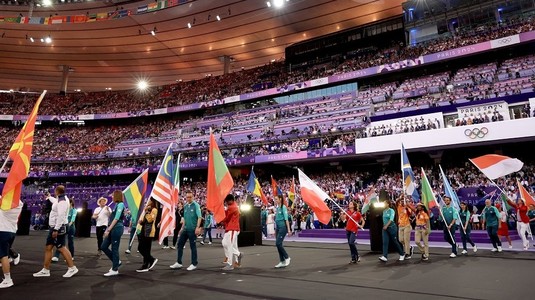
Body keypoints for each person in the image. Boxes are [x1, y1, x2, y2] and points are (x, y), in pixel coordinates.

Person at [33, 186, 78, 278]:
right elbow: (55, 202)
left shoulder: (62, 201)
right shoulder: (61, 199)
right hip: (55, 227)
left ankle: (72, 268)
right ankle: (45, 270)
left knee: (61, 247)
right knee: (48, 247)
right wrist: (49, 197)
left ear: (57, 191)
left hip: (59, 227)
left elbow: (61, 216)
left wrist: (56, 229)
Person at [170, 191, 202, 271]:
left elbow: (199, 217)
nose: (189, 198)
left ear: (193, 197)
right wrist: (181, 228)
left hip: (192, 230)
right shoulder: (186, 206)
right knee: (179, 245)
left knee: (192, 247)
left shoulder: (196, 205)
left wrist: (197, 227)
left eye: (190, 197)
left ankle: (194, 264)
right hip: (185, 229)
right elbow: (184, 218)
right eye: (187, 197)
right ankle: (179, 262)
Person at [101, 190, 125, 276]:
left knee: (115, 249)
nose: (111, 197)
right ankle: (117, 261)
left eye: (113, 195)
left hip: (117, 229)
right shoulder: (117, 205)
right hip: (113, 228)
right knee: (103, 246)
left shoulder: (121, 204)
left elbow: (116, 218)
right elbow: (113, 217)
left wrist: (108, 230)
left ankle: (115, 269)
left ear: (117, 196)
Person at [0, 201, 23, 288]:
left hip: (3, 230)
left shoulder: (6, 204)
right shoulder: (19, 204)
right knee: (5, 251)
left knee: (3, 255)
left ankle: (8, 279)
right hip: (11, 230)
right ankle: (13, 256)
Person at [221, 194, 243, 271]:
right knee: (225, 243)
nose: (226, 203)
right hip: (231, 228)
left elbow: (225, 218)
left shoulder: (232, 207)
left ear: (230, 201)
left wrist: (219, 213)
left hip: (232, 228)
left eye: (227, 201)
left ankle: (230, 264)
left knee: (229, 245)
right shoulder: (234, 206)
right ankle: (238, 256)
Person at [136, 198, 158, 272]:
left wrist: (147, 211)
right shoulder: (148, 209)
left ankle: (151, 260)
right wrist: (141, 222)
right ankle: (145, 264)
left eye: (149, 200)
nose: (147, 201)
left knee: (142, 248)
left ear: (152, 201)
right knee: (143, 248)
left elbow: (150, 220)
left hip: (149, 231)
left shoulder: (154, 210)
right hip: (144, 230)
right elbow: (145, 221)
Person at [274, 196, 292, 268]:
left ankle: (287, 257)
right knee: (279, 244)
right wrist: (275, 229)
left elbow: (286, 219)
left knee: (278, 243)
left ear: (280, 199)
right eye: (275, 199)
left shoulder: (283, 207)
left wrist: (289, 230)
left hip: (282, 227)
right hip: (278, 228)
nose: (275, 200)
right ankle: (282, 261)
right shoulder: (277, 208)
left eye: (276, 199)